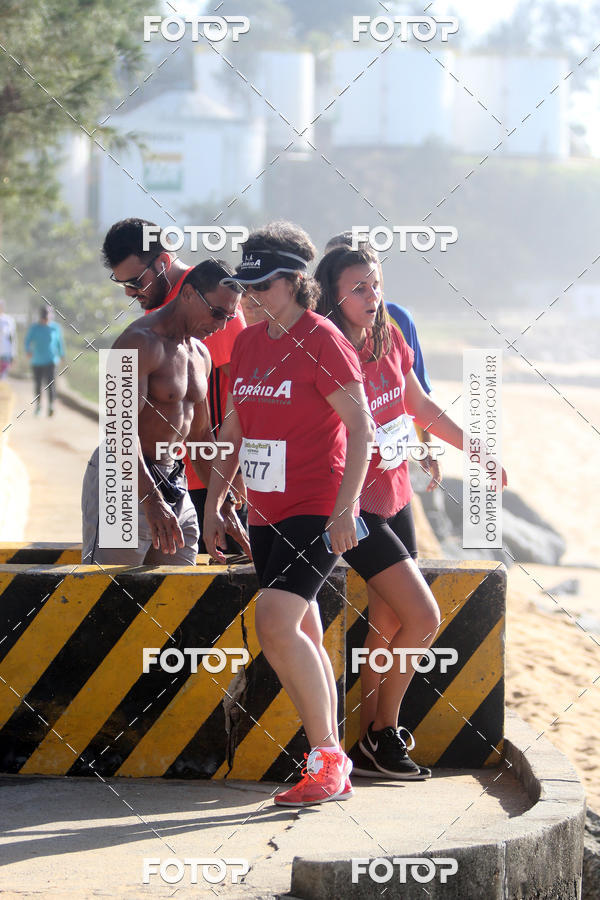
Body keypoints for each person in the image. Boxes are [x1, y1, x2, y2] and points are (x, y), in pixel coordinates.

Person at [315, 244, 507, 779]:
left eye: (376, 284)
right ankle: (384, 731)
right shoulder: (325, 347)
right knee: (423, 617)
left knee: (389, 620)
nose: (372, 295)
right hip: (353, 505)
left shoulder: (388, 336)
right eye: (358, 288)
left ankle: (369, 742)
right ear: (332, 294)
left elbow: (418, 405)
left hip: (395, 494)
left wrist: (477, 450)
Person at [203, 221, 375, 806]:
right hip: (264, 510)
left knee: (275, 623)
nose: (250, 297)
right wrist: (214, 502)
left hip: (315, 506)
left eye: (263, 286)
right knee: (302, 630)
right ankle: (334, 762)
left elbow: (361, 428)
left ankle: (326, 761)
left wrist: (346, 508)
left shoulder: (323, 339)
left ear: (296, 281)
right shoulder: (248, 343)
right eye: (245, 286)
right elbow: (232, 430)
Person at [81, 262, 250, 566]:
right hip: (122, 481)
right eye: (217, 313)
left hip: (172, 479)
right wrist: (151, 500)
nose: (222, 326)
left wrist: (220, 504)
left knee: (177, 584)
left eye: (229, 317)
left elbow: (200, 437)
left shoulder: (201, 354)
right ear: (188, 294)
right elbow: (118, 431)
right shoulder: (135, 342)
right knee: (109, 590)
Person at [324, 232, 441, 491]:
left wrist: (427, 447)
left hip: (391, 459)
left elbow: (419, 394)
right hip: (340, 465)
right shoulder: (317, 327)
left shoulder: (398, 320)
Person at [24, 306, 65, 416]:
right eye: (44, 318)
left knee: (51, 384)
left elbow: (59, 342)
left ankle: (51, 405)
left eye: (47, 318)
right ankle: (38, 406)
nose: (45, 320)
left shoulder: (55, 328)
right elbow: (27, 341)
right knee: (38, 384)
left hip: (51, 360)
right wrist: (28, 350)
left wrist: (62, 355)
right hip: (37, 361)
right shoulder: (34, 328)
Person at [0, 301, 16, 381]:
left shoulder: (9, 320)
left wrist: (13, 354)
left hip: (5, 352)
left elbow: (12, 338)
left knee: (3, 377)